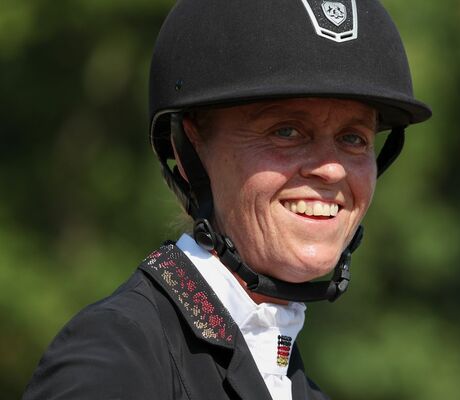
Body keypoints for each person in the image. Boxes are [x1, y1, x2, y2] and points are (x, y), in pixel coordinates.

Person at [22, 0, 430, 399]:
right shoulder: (115, 358)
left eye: (353, 138)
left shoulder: (293, 380)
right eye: (287, 132)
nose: (331, 170)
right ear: (188, 152)